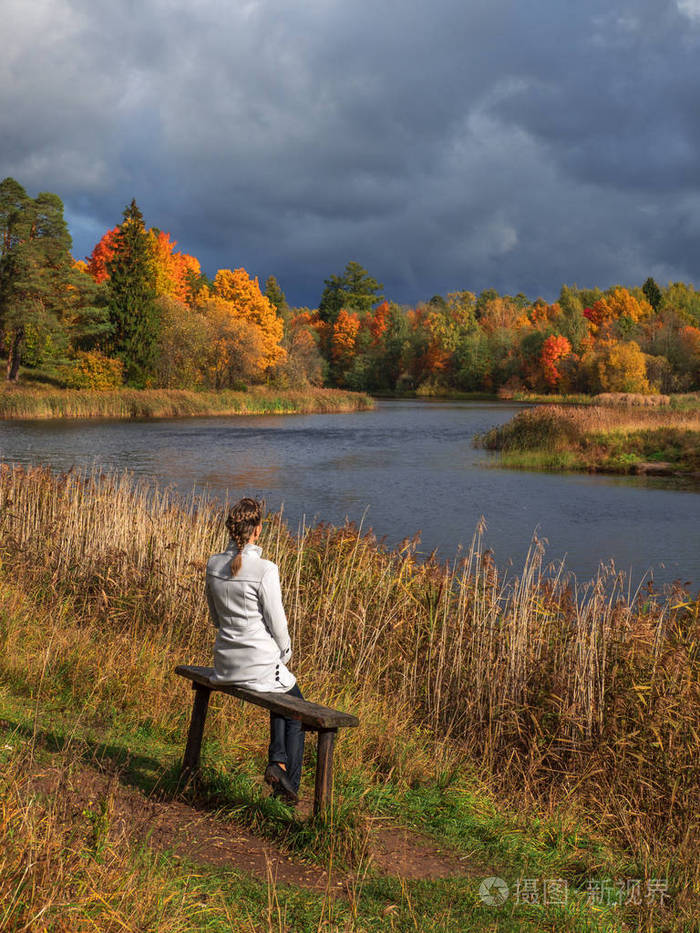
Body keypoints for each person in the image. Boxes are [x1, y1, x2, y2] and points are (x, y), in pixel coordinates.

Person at [205, 497, 304, 803]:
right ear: (257, 530)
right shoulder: (265, 569)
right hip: (258, 664)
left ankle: (278, 761)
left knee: (281, 692)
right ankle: (287, 791)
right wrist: (283, 654)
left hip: (225, 663)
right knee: (297, 712)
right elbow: (278, 623)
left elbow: (215, 619)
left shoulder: (213, 564)